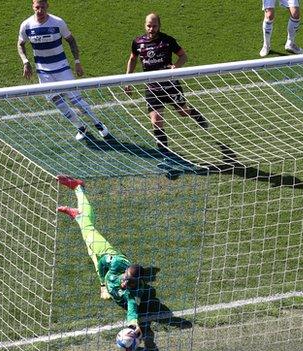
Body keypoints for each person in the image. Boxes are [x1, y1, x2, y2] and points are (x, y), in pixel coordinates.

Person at [56, 174, 190, 350]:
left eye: (130, 282)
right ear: (125, 272)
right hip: (104, 251)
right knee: (87, 225)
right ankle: (78, 188)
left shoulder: (131, 294)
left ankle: (78, 214)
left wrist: (134, 327)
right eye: (127, 278)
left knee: (86, 229)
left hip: (107, 264)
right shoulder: (117, 264)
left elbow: (132, 310)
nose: (125, 282)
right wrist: (102, 283)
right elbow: (103, 262)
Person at [17, 0, 109, 141]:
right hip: (43, 71)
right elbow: (20, 44)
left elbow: (71, 41)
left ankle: (98, 123)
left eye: (42, 7)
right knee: (57, 101)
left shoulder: (58, 22)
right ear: (32, 6)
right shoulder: (26, 25)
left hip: (62, 68)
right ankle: (80, 126)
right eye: (37, 7)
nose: (40, 10)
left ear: (47, 6)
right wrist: (25, 61)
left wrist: (77, 62)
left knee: (75, 100)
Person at [124, 13, 208, 153]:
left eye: (154, 26)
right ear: (145, 25)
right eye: (149, 26)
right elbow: (132, 59)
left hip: (170, 86)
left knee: (183, 112)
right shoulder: (138, 42)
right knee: (156, 120)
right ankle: (165, 154)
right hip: (152, 88)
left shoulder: (167, 41)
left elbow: (183, 56)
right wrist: (128, 79)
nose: (151, 29)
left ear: (159, 26)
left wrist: (176, 66)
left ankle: (194, 113)